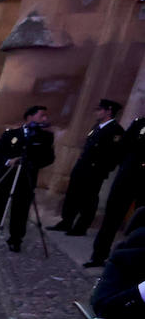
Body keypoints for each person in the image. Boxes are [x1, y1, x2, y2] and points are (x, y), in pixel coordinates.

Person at [0, 105, 56, 253]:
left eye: (45, 116)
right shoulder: (10, 134)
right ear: (30, 117)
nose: (45, 119)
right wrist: (8, 161)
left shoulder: (45, 137)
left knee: (20, 212)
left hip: (26, 180)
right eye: (41, 115)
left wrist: (31, 163)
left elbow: (49, 158)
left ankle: (15, 240)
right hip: (5, 178)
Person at [50, 98, 126, 236]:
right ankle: (66, 221)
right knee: (73, 195)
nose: (96, 112)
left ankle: (81, 227)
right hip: (82, 167)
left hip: (95, 171)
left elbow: (115, 155)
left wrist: (102, 169)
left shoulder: (116, 130)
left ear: (108, 111)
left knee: (88, 200)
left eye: (99, 110)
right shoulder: (96, 127)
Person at [87, 112, 145, 268]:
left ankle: (134, 261)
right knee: (111, 217)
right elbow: (122, 148)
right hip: (127, 177)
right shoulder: (139, 123)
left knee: (141, 223)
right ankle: (98, 256)